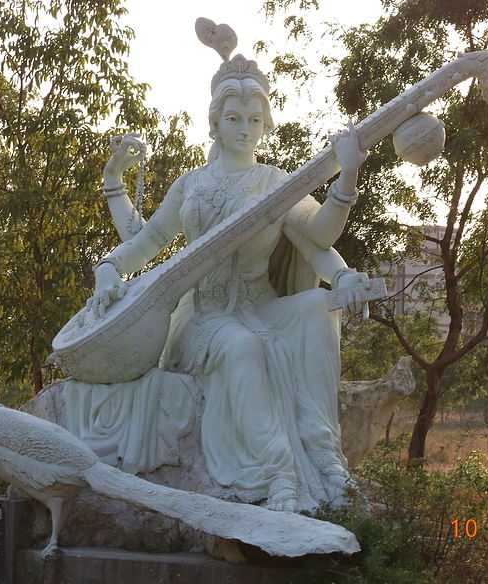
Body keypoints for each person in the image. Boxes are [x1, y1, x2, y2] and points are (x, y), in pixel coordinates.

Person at [87, 32, 368, 512]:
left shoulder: (276, 183)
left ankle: (324, 457)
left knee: (318, 310)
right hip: (204, 318)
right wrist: (110, 269)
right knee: (242, 347)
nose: (245, 129)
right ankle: (277, 475)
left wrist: (347, 176)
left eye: (254, 119)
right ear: (215, 122)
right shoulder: (191, 185)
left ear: (266, 124)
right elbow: (148, 241)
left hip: (263, 307)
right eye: (234, 118)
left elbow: (318, 236)